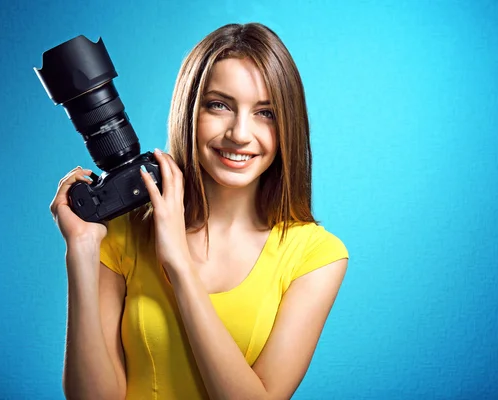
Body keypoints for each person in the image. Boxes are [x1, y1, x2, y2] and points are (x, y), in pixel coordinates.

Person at [50, 22, 349, 400]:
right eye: (219, 105)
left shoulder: (316, 257)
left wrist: (179, 264)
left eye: (265, 112)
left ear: (289, 125)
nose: (240, 134)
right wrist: (81, 250)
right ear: (189, 111)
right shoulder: (124, 232)